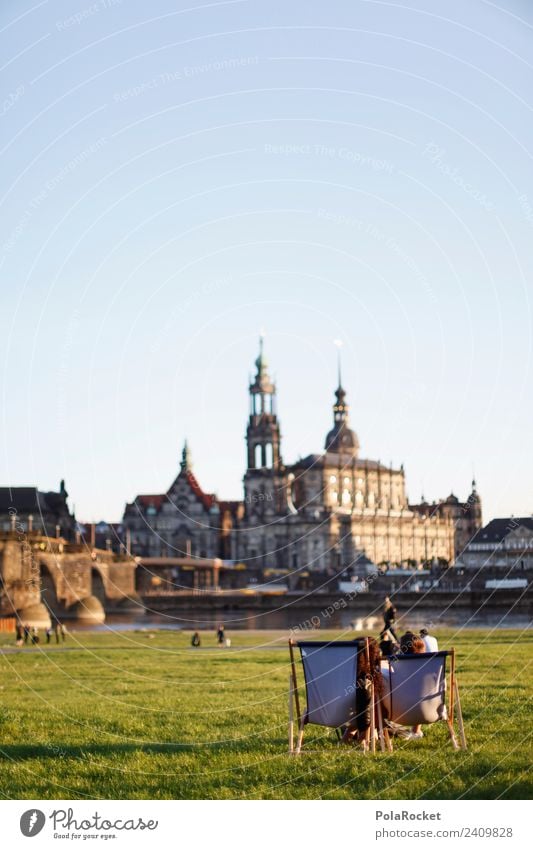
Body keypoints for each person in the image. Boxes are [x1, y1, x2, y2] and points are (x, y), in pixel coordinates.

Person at [342, 639, 384, 748]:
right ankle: (364, 736)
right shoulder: (371, 679)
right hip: (368, 719)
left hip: (333, 715)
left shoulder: (341, 677)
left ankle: (353, 736)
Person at [398, 631, 425, 739]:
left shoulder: (395, 664)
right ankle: (416, 730)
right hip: (429, 711)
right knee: (421, 693)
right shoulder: (432, 668)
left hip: (397, 712)